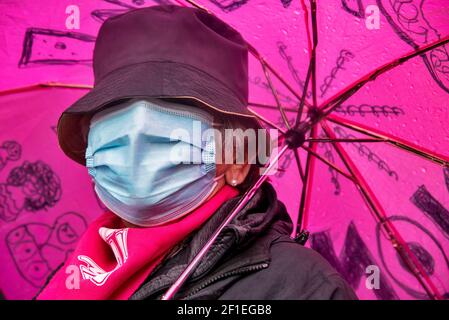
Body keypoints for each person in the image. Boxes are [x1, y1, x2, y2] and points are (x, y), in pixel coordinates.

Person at [36, 4, 357, 300]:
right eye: (115, 106)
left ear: (239, 159)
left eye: (177, 106)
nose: (136, 131)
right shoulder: (77, 271)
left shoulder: (306, 289)